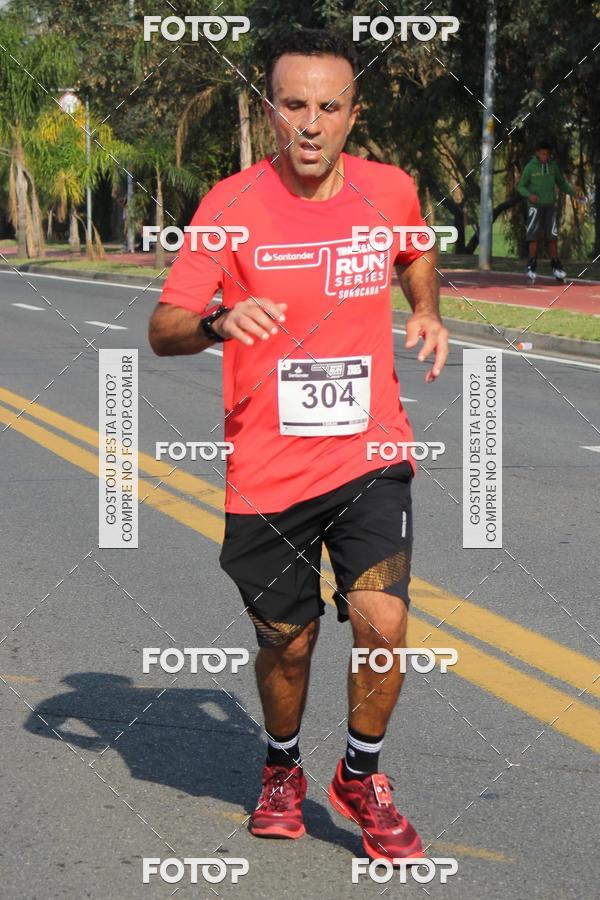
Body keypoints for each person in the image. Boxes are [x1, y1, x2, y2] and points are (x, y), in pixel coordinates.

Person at [148, 27, 448, 863]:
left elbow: (415, 250)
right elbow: (162, 327)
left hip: (369, 457)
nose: (309, 124)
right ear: (269, 109)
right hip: (268, 472)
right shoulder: (230, 204)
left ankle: (362, 772)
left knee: (382, 619)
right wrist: (216, 320)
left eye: (327, 106)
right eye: (292, 105)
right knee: (288, 642)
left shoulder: (389, 190)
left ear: (354, 113)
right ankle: (283, 766)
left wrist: (426, 308)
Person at [517, 140, 576, 282]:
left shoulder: (552, 166)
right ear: (537, 153)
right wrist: (530, 195)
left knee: (552, 237)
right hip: (535, 208)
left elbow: (561, 183)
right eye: (543, 154)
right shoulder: (530, 167)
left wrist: (573, 193)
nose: (545, 157)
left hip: (550, 206)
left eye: (547, 154)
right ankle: (531, 265)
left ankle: (556, 266)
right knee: (534, 237)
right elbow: (521, 186)